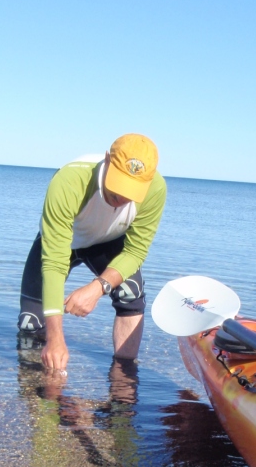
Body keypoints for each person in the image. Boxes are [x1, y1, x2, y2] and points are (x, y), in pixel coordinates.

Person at [17, 134, 167, 373]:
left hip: (107, 242)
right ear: (107, 160)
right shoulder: (69, 180)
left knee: (130, 294)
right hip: (62, 243)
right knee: (30, 324)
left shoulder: (155, 189)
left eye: (131, 192)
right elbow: (54, 263)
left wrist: (98, 287)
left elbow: (136, 251)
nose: (121, 200)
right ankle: (40, 395)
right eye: (117, 188)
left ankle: (123, 390)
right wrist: (56, 339)